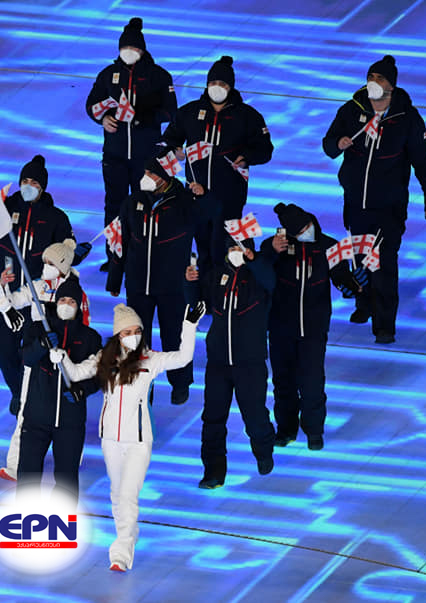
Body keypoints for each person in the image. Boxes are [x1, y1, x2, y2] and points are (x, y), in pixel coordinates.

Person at [54, 302, 204, 571]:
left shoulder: (150, 360)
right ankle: (128, 532)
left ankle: (121, 552)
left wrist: (189, 326)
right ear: (118, 336)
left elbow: (183, 358)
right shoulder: (104, 359)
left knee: (127, 495)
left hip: (138, 440)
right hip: (110, 439)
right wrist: (61, 358)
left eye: (137, 331)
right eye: (127, 332)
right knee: (116, 492)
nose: (133, 336)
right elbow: (75, 373)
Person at [322, 54, 426, 344]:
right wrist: (338, 143)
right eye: (371, 77)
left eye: (380, 78)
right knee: (361, 257)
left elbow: (422, 161)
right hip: (355, 202)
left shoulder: (406, 118)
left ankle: (384, 324)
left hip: (389, 206)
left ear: (391, 85)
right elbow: (328, 144)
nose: (373, 82)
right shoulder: (352, 110)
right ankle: (364, 303)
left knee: (384, 262)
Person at [261, 203, 361, 451]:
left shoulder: (329, 246)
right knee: (283, 381)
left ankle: (314, 431)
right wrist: (271, 251)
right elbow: (260, 272)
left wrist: (353, 286)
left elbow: (341, 277)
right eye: (299, 231)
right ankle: (286, 429)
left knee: (312, 382)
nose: (305, 232)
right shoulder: (277, 247)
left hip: (314, 328)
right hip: (281, 327)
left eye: (306, 226)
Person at [161, 55, 273, 266]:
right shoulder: (190, 112)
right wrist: (175, 150)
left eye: (222, 84)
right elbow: (169, 137)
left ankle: (224, 281)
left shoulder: (248, 116)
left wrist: (246, 157)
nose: (217, 88)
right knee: (202, 244)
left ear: (230, 87)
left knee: (224, 247)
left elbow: (265, 150)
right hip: (197, 194)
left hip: (230, 196)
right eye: (213, 83)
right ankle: (204, 283)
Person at [85, 17, 176, 271]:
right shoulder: (108, 75)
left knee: (144, 205)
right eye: (125, 48)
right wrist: (103, 118)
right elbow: (92, 104)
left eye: (133, 48)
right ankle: (114, 256)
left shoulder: (159, 76)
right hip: (114, 155)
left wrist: (142, 118)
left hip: (145, 157)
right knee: (114, 205)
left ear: (142, 50)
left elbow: (171, 112)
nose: (128, 52)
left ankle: (144, 255)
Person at [106, 149, 196, 404]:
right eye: (145, 171)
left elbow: (210, 219)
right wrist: (115, 278)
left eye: (151, 173)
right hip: (138, 285)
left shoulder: (185, 203)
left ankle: (180, 383)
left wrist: (202, 195)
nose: (145, 177)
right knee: (135, 339)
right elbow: (120, 242)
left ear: (165, 176)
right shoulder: (132, 202)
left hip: (172, 286)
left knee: (173, 336)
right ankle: (142, 386)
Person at [188, 235, 276, 489]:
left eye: (240, 247)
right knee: (212, 419)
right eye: (232, 248)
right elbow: (198, 302)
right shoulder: (217, 276)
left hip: (249, 362)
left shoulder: (258, 276)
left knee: (255, 415)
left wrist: (254, 261)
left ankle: (264, 450)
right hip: (218, 362)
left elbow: (271, 282)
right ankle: (213, 472)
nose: (236, 252)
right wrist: (189, 283)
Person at [0, 239, 89, 480]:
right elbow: (14, 301)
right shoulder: (37, 286)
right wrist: (3, 287)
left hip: (66, 356)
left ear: (62, 266)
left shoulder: (75, 292)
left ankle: (72, 457)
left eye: (51, 263)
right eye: (45, 261)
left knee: (69, 407)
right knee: (27, 406)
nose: (45, 266)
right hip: (38, 354)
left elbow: (84, 327)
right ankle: (15, 464)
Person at [0, 155, 78, 416]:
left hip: (38, 299)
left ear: (43, 187)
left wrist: (75, 251)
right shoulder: (4, 207)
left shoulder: (55, 218)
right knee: (3, 350)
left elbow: (66, 254)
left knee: (31, 353)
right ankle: (19, 391)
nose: (28, 186)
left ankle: (30, 395)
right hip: (9, 296)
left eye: (34, 182)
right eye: (25, 181)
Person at [15, 278, 102, 503]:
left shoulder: (90, 337)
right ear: (55, 302)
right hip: (36, 418)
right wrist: (41, 345)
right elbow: (26, 359)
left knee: (66, 480)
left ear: (79, 306)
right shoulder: (37, 329)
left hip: (70, 423)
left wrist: (82, 391)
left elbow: (99, 376)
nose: (66, 304)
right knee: (28, 476)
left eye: (72, 301)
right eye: (62, 300)